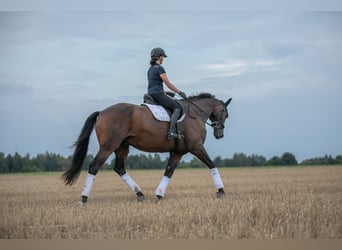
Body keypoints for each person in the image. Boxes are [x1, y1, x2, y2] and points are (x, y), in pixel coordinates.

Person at [147, 47, 187, 140]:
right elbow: (168, 83)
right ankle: (171, 132)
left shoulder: (150, 69)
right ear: (160, 57)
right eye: (163, 57)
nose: (163, 59)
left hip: (151, 93)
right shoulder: (160, 68)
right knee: (177, 108)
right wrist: (180, 92)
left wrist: (167, 92)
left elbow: (154, 84)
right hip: (158, 94)